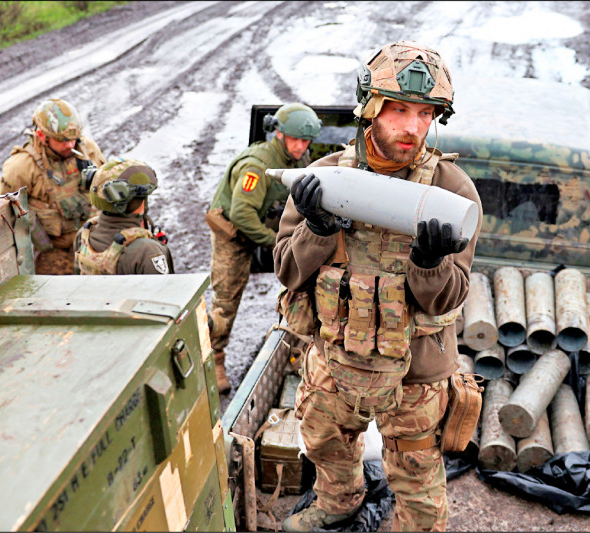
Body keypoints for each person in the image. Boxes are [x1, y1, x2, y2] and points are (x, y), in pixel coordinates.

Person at [273, 41, 483, 532]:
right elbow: (286, 270)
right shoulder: (322, 178)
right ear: (370, 109)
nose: (413, 127)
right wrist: (318, 230)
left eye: (426, 113)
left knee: (416, 474)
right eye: (400, 110)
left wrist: (429, 263)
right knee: (324, 439)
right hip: (335, 351)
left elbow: (452, 296)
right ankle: (339, 501)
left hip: (416, 368)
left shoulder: (451, 192)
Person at [206, 102, 322, 394]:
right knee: (226, 300)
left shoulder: (300, 157)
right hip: (233, 234)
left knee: (301, 285)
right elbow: (242, 215)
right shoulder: (257, 166)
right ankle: (214, 359)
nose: (300, 146)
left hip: (266, 225)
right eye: (295, 139)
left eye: (305, 140)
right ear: (279, 135)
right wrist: (277, 243)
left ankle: (296, 348)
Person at [0, 98, 106, 274]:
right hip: (55, 252)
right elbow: (6, 218)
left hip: (93, 243)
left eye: (74, 139)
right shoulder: (20, 167)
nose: (71, 145)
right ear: (42, 135)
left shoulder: (87, 150)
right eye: (63, 140)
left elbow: (107, 186)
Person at [73, 159, 173, 275]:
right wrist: (160, 249)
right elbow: (167, 292)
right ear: (138, 202)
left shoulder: (84, 234)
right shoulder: (148, 251)